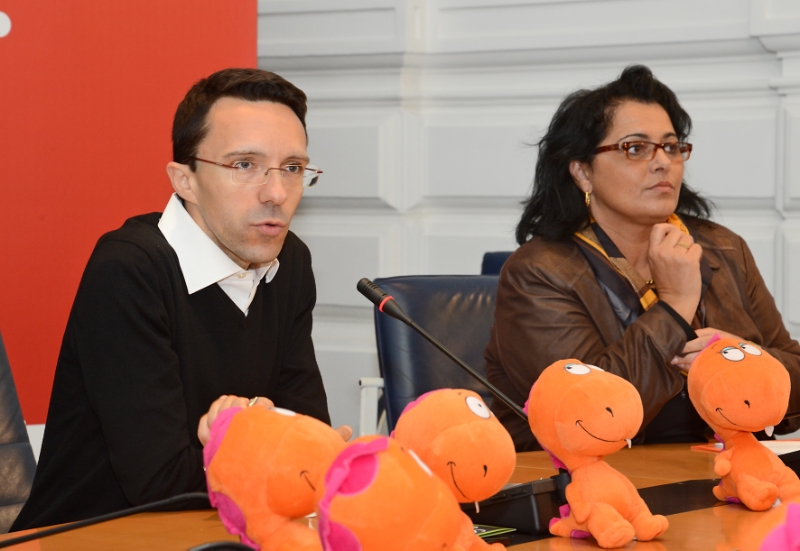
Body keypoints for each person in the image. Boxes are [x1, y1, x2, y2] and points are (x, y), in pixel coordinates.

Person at [11, 68, 350, 530]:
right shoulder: (130, 270)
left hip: (225, 530)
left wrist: (292, 452)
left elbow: (308, 434)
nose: (276, 193)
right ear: (184, 180)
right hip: (89, 535)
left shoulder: (288, 262)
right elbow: (160, 484)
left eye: (292, 168)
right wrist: (281, 454)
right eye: (244, 165)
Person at [485, 65, 800, 451]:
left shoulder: (724, 248)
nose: (663, 161)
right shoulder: (537, 273)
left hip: (719, 468)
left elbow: (795, 375)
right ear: (582, 172)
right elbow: (589, 417)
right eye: (635, 148)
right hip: (597, 479)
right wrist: (676, 304)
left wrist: (748, 361)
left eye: (671, 147)